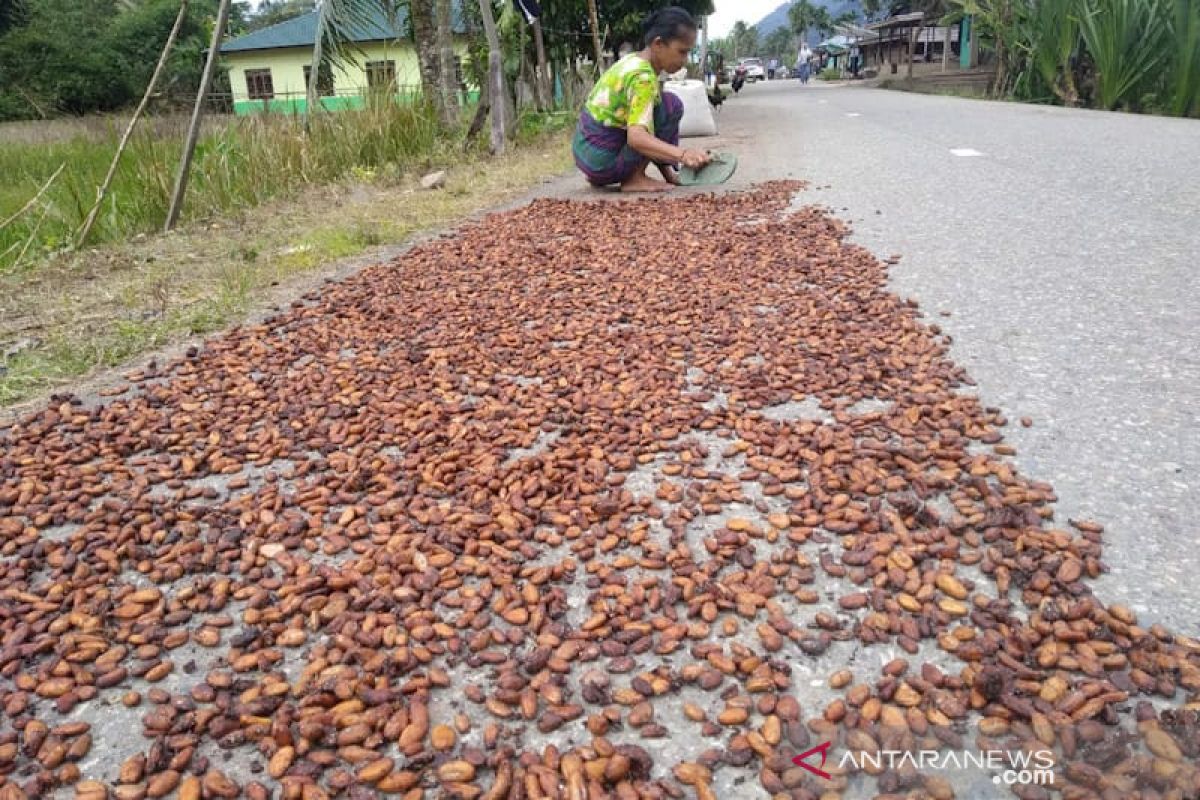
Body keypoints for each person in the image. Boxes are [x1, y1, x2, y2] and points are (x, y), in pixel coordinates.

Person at [573, 7, 712, 192]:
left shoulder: (631, 61)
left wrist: (670, 174)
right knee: (671, 106)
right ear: (658, 44)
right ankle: (634, 179)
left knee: (662, 105)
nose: (685, 59)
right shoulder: (643, 79)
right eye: (682, 51)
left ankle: (661, 174)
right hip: (603, 162)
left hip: (586, 156)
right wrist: (683, 154)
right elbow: (636, 139)